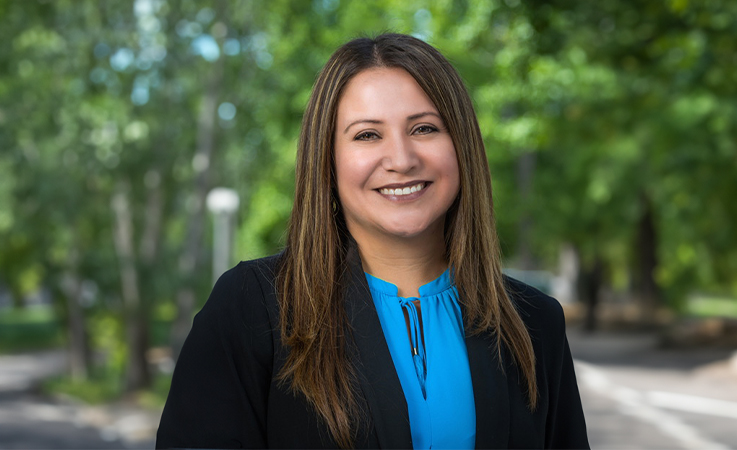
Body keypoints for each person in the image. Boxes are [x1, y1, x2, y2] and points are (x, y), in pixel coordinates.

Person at [156, 33, 589, 450]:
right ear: (327, 159)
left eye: (424, 128)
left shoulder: (535, 324)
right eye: (367, 135)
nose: (401, 159)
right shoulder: (252, 309)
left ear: (462, 147)